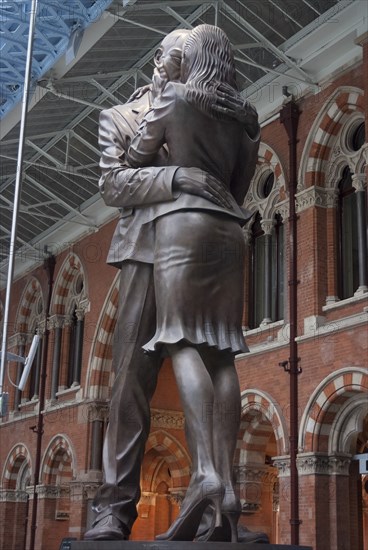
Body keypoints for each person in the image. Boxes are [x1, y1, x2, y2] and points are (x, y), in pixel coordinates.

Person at [84, 28, 260, 543]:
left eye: (182, 57)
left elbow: (234, 182)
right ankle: (114, 509)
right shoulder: (118, 117)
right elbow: (113, 184)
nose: (173, 64)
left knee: (211, 359)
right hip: (143, 252)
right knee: (131, 382)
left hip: (198, 246)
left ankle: (214, 505)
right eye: (168, 57)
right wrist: (178, 177)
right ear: (157, 61)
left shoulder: (208, 105)